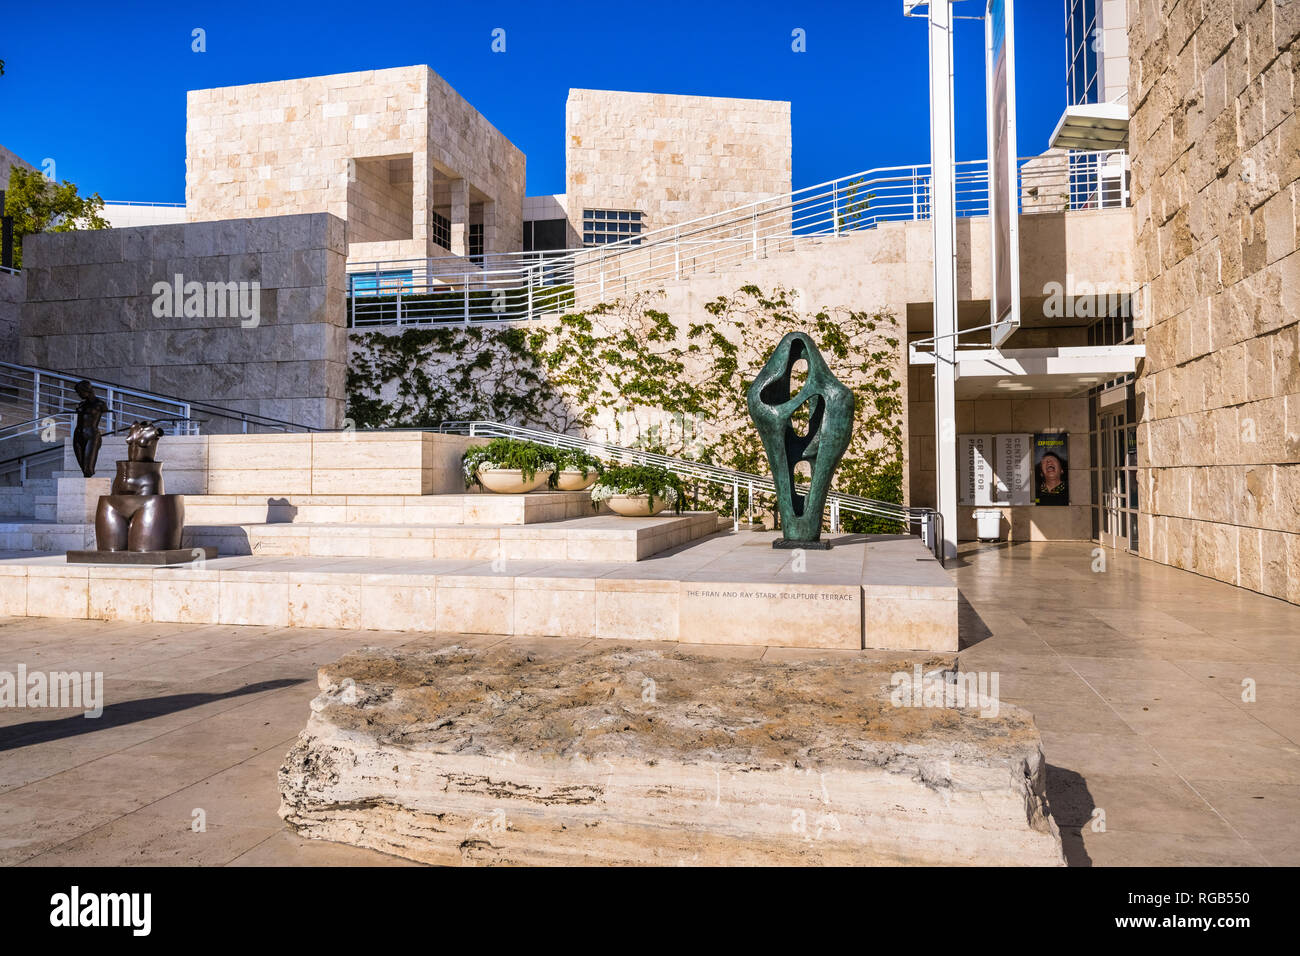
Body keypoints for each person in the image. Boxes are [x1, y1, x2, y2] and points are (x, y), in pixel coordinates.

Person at [72, 380, 107, 478]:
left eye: (79, 392)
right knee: (82, 465)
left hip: (91, 435)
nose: (78, 394)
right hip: (78, 434)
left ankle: (89, 489)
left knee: (88, 468)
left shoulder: (100, 404)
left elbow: (105, 410)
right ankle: (84, 487)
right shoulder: (81, 404)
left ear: (86, 390)